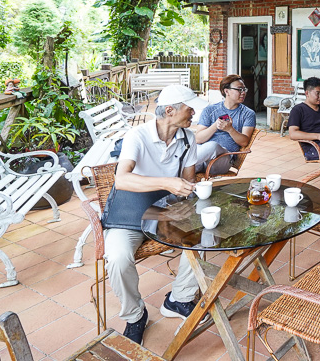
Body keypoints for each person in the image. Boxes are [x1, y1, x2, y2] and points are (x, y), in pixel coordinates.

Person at [101, 84, 206, 344]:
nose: (194, 113)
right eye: (189, 108)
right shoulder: (137, 136)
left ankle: (179, 299)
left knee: (205, 237)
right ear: (170, 110)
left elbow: (188, 180)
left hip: (165, 211)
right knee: (117, 258)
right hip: (129, 212)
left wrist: (189, 190)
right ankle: (135, 315)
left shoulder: (188, 137)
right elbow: (122, 179)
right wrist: (166, 182)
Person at [192, 74, 256, 176]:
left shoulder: (248, 113)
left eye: (244, 89)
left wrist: (230, 129)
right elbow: (198, 139)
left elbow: (244, 142)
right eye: (239, 89)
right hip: (202, 157)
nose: (243, 92)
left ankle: (182, 165)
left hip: (223, 159)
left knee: (212, 146)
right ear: (226, 91)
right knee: (187, 171)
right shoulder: (210, 110)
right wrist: (215, 125)